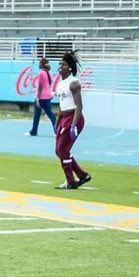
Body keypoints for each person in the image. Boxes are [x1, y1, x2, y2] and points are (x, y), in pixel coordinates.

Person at [53, 50, 91, 189]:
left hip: (74, 118)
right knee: (59, 151)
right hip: (64, 118)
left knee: (62, 150)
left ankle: (71, 181)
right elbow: (62, 105)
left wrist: (74, 125)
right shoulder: (60, 83)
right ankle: (82, 175)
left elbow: (79, 106)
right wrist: (57, 123)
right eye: (59, 64)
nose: (60, 67)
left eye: (63, 64)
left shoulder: (74, 83)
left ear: (69, 67)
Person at [27, 56, 57, 136]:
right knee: (50, 114)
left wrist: (37, 98)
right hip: (48, 95)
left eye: (40, 63)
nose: (39, 64)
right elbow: (49, 84)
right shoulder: (49, 73)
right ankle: (56, 130)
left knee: (37, 115)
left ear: (42, 64)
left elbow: (40, 87)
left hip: (41, 97)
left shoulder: (41, 73)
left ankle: (34, 131)